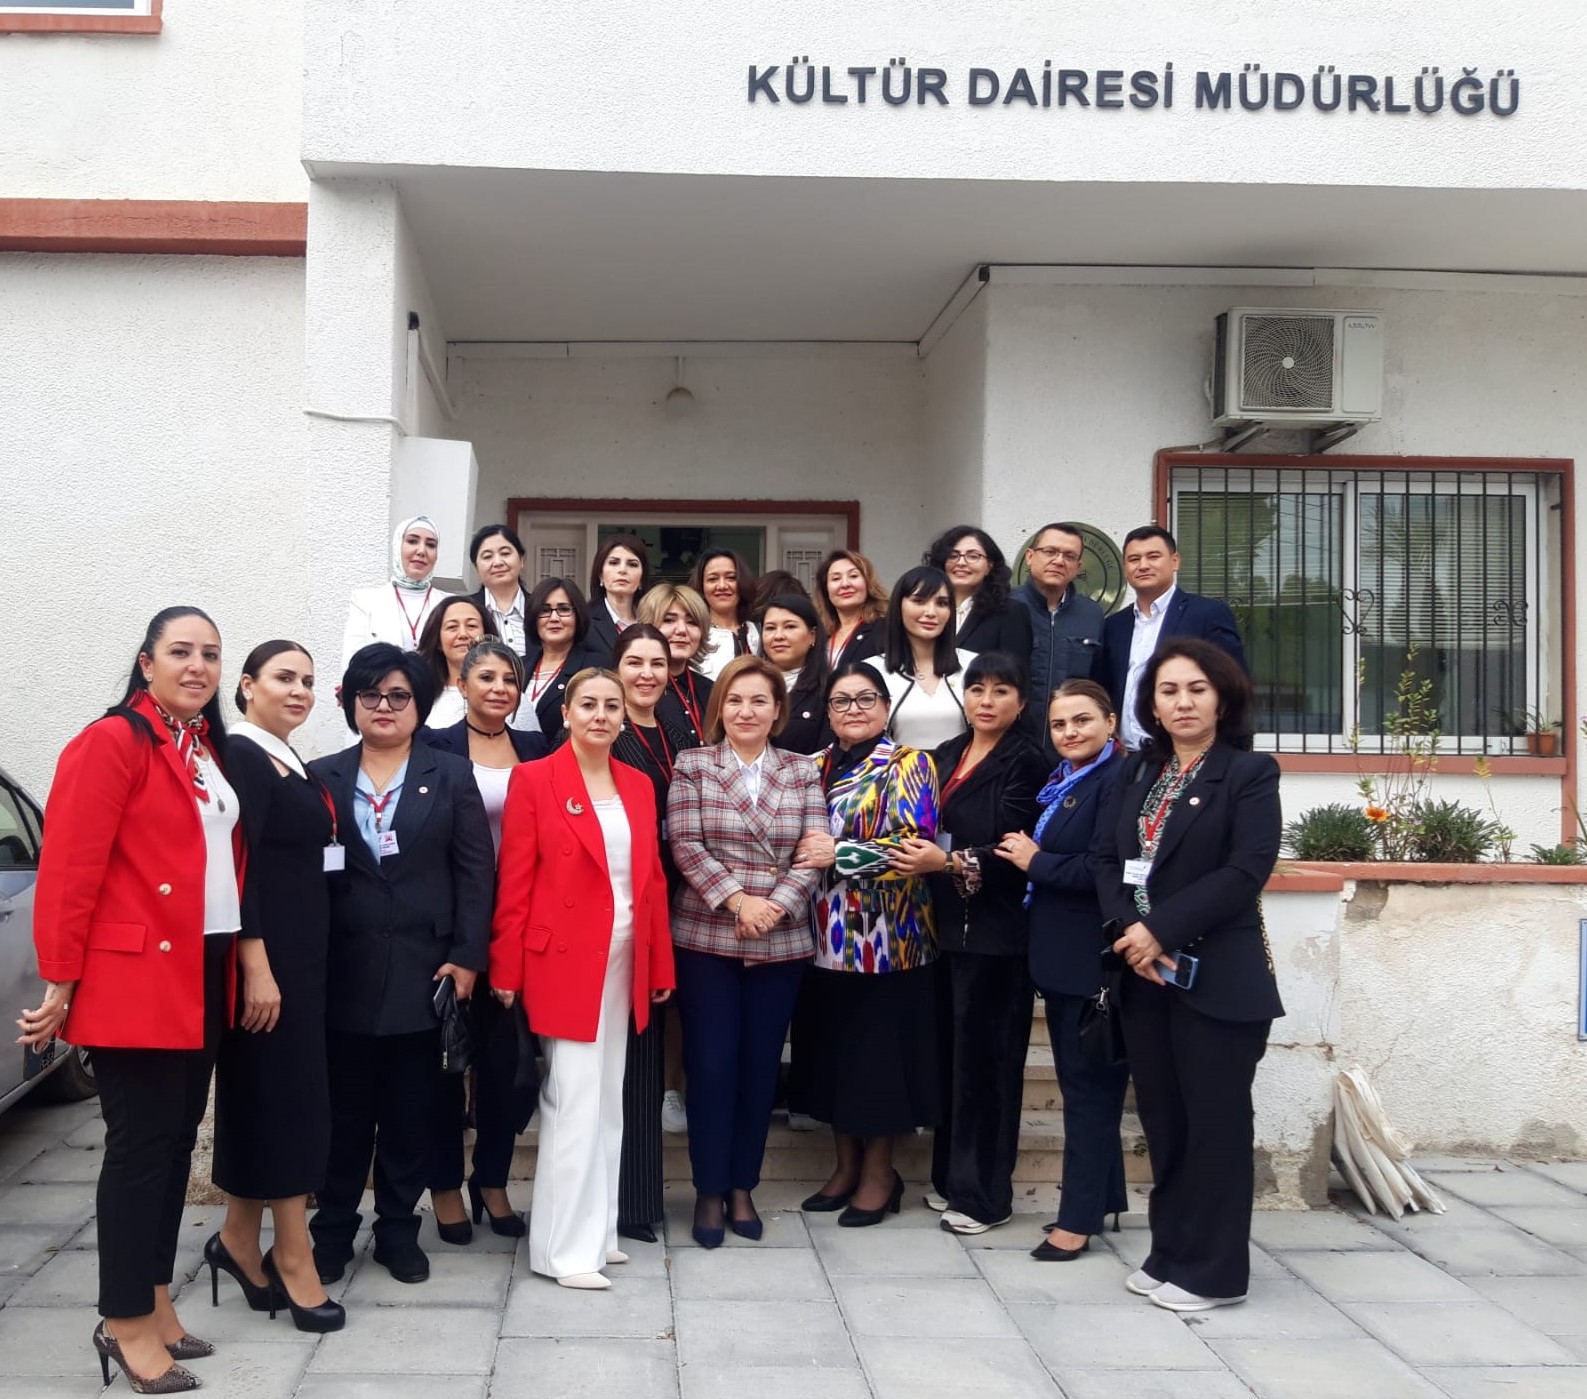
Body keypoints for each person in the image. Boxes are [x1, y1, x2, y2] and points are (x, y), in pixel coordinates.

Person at [22, 607, 240, 1393]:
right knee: (140, 1151)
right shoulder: (113, 741)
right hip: (136, 974)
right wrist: (61, 979)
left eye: (210, 653)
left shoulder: (200, 745)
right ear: (146, 663)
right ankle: (122, 1320)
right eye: (180, 651)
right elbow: (69, 869)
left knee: (175, 1146)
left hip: (202, 967)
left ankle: (154, 1299)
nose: (197, 665)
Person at [1094, 638, 1282, 1312]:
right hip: (1144, 976)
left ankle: (1215, 1272)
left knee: (1215, 1127)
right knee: (1165, 1121)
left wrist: (1160, 931)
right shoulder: (1138, 771)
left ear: (1222, 698)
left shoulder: (1249, 773)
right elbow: (1106, 858)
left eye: (1196, 689)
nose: (1182, 702)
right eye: (1168, 690)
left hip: (1216, 978)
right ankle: (1170, 1250)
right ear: (1151, 703)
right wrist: (1127, 933)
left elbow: (1245, 869)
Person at [308, 644, 495, 1288]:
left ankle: (396, 1230)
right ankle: (332, 1231)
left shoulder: (451, 774)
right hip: (344, 974)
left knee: (410, 1113)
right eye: (371, 695)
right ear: (351, 703)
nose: (384, 707)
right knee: (343, 1116)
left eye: (398, 696)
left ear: (419, 705)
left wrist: (467, 957)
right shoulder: (322, 776)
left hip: (427, 974)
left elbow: (476, 872)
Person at [491, 668, 675, 1289]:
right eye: (588, 704)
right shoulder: (533, 778)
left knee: (607, 1098)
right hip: (562, 958)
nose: (601, 715)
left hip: (624, 956)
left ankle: (599, 1231)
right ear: (566, 712)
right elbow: (515, 879)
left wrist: (659, 961)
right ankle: (563, 1251)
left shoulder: (638, 783)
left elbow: (651, 880)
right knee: (572, 1100)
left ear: (625, 716)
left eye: (612, 706)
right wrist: (506, 965)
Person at [666, 656, 827, 1248]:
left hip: (780, 940)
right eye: (735, 700)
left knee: (760, 1068)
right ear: (719, 708)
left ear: (778, 710)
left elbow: (814, 850)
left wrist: (775, 907)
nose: (746, 711)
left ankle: (742, 1186)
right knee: (711, 1066)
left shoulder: (802, 770)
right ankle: (709, 1189)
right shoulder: (693, 765)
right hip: (708, 936)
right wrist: (739, 902)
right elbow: (685, 844)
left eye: (759, 700)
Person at [210, 641, 344, 1333]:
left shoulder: (287, 756)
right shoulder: (241, 756)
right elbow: (242, 867)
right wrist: (255, 964)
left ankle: (238, 1237)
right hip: (271, 963)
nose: (299, 690)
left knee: (271, 1098)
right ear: (246, 685)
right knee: (287, 1103)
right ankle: (293, 1255)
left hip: (306, 959)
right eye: (283, 677)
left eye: (308, 681)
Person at [791, 662, 940, 1227]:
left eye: (865, 699)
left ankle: (880, 1173)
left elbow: (916, 845)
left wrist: (842, 853)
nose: (852, 709)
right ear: (828, 712)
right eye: (841, 701)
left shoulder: (910, 763)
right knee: (832, 1058)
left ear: (885, 707)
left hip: (886, 940)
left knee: (877, 1064)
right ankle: (845, 1166)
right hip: (817, 937)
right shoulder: (810, 766)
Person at [908, 653, 1046, 1235]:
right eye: (977, 689)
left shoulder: (1029, 760)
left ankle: (986, 1196)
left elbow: (1018, 848)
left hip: (997, 934)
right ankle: (950, 1180)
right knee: (953, 1061)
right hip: (943, 928)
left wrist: (949, 862)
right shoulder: (947, 753)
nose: (986, 701)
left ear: (1021, 701)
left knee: (988, 1067)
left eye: (1000, 690)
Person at [994, 678, 1129, 1262]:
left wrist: (1036, 861)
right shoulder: (1068, 779)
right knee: (1086, 1082)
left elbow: (1105, 870)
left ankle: (1076, 1222)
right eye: (1058, 725)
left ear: (1110, 722)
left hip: (1090, 962)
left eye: (1081, 720)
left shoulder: (1116, 779)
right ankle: (1103, 1199)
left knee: (1087, 1091)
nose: (1069, 732)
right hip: (1062, 958)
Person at [421, 640, 548, 1244]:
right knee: (446, 1065)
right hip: (448, 927)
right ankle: (445, 1186)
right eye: (488, 677)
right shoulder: (434, 747)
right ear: (463, 684)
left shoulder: (537, 749)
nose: (500, 688)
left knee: (508, 1067)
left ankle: (491, 1180)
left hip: (517, 926)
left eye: (510, 680)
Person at [609, 625, 697, 1244]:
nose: (646, 674)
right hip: (619, 903)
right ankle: (614, 1201)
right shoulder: (602, 729)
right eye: (635, 662)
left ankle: (639, 1201)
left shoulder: (677, 729)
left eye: (657, 663)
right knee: (618, 1055)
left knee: (646, 1050)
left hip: (677, 899)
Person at [1100, 526, 1248, 751]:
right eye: (1134, 559)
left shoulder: (1207, 614)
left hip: (1190, 753)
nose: (1143, 565)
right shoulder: (1114, 625)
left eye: (1153, 556)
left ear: (1175, 561)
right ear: (1125, 567)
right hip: (1128, 757)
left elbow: (1234, 685)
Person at [1013, 523, 1105, 737]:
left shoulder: (1091, 615)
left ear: (1078, 567)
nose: (1058, 561)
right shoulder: (1004, 607)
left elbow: (1098, 683)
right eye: (1050, 551)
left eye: (1069, 556)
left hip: (1071, 740)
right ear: (1030, 556)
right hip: (1013, 741)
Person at [881, 566, 976, 750]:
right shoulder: (871, 671)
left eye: (942, 603)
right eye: (919, 601)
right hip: (894, 767)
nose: (931, 612)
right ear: (898, 605)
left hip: (965, 768)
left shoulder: (975, 665)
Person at [341, 515, 447, 671]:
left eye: (431, 545)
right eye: (412, 541)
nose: (421, 551)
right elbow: (352, 662)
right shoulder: (366, 601)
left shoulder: (450, 604)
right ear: (398, 546)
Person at [924, 525, 1034, 661]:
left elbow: (1015, 669)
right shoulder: (924, 608)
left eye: (973, 556)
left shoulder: (1010, 612)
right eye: (953, 556)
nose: (961, 563)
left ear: (989, 566)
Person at [523, 577, 607, 743]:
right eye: (544, 610)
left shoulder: (597, 666)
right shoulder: (518, 666)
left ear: (578, 616)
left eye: (564, 609)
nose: (554, 618)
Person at [638, 582, 715, 744]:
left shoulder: (712, 690)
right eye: (669, 620)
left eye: (692, 622)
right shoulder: (635, 687)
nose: (681, 630)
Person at [759, 593, 831, 755]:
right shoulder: (746, 683)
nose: (778, 636)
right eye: (770, 628)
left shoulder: (830, 688)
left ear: (812, 635)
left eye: (790, 627)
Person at [417, 595, 499, 731]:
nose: (463, 634)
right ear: (438, 641)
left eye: (471, 626)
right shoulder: (419, 695)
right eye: (452, 627)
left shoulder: (505, 691)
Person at [464, 523, 533, 660]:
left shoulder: (542, 609)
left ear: (521, 560)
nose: (497, 562)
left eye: (505, 553)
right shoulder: (464, 610)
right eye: (487, 556)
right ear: (476, 567)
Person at [692, 548, 760, 680]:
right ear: (701, 586)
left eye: (731, 578)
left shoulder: (759, 632)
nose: (722, 586)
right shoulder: (693, 634)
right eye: (713, 579)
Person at [814, 549, 888, 669]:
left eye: (853, 576)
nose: (845, 584)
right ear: (826, 589)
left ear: (868, 583)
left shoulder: (885, 630)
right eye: (836, 579)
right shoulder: (818, 635)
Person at [586, 533, 652, 660]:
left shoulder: (652, 621)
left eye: (632, 564)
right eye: (614, 563)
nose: (622, 570)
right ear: (600, 575)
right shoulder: (584, 621)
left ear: (642, 578)